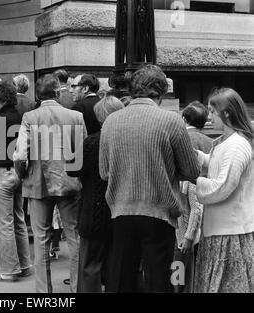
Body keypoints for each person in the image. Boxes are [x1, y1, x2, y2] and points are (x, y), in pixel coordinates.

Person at [99, 65, 201, 293]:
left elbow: (104, 172)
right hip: (159, 213)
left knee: (121, 279)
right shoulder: (171, 121)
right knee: (158, 280)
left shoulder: (110, 122)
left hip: (121, 210)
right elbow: (192, 171)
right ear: (160, 92)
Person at [13, 74, 87, 293]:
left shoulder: (30, 116)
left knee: (41, 239)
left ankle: (44, 294)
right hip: (70, 182)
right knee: (74, 237)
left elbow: (19, 155)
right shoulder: (75, 116)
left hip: (37, 183)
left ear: (37, 94)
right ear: (57, 92)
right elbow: (83, 151)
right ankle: (77, 289)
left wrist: (22, 175)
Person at [194, 88, 254, 293]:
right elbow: (220, 164)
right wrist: (200, 157)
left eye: (212, 111)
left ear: (226, 113)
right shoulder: (228, 142)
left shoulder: (237, 145)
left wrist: (195, 180)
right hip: (222, 228)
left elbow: (223, 185)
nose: (209, 116)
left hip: (229, 232)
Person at [68, 95, 124, 293]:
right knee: (116, 264)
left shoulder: (92, 142)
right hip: (120, 209)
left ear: (100, 116)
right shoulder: (126, 140)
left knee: (91, 263)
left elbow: (72, 169)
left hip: (94, 208)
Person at [0, 81, 32, 282]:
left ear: (1, 99)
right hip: (19, 172)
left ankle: (9, 269)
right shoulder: (21, 118)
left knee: (2, 223)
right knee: (18, 219)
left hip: (3, 172)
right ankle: (24, 264)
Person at [174, 101, 213, 293]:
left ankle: (178, 289)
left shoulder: (182, 140)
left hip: (185, 214)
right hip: (208, 212)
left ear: (183, 118)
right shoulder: (211, 143)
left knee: (179, 263)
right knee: (198, 267)